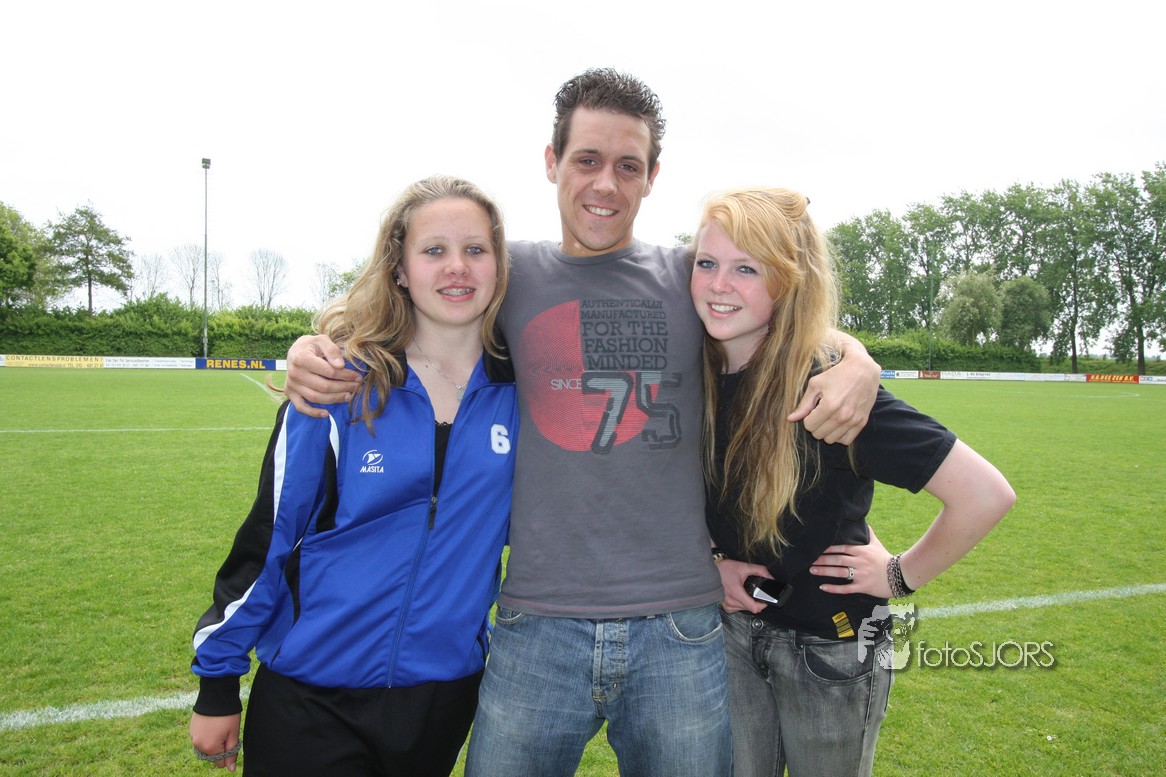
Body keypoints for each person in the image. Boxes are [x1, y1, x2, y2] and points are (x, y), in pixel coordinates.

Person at [282, 69, 881, 777]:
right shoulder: (507, 276)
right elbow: (406, 310)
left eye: (628, 165)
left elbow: (781, 315)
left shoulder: (689, 278)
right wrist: (313, 346)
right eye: (587, 159)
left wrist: (856, 359)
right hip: (537, 626)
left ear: (652, 176)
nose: (606, 183)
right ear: (551, 161)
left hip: (679, 630)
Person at [188, 175, 518, 776]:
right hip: (312, 698)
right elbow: (271, 535)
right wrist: (218, 681)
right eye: (434, 250)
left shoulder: (522, 395)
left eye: (476, 248)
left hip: (442, 699)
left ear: (499, 263)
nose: (457, 267)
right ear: (399, 268)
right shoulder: (339, 384)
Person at [693, 187, 1016, 777]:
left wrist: (899, 574)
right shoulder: (697, 371)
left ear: (789, 281)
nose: (718, 284)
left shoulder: (831, 392)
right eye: (706, 262)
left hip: (833, 648)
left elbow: (985, 494)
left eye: (747, 269)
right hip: (732, 635)